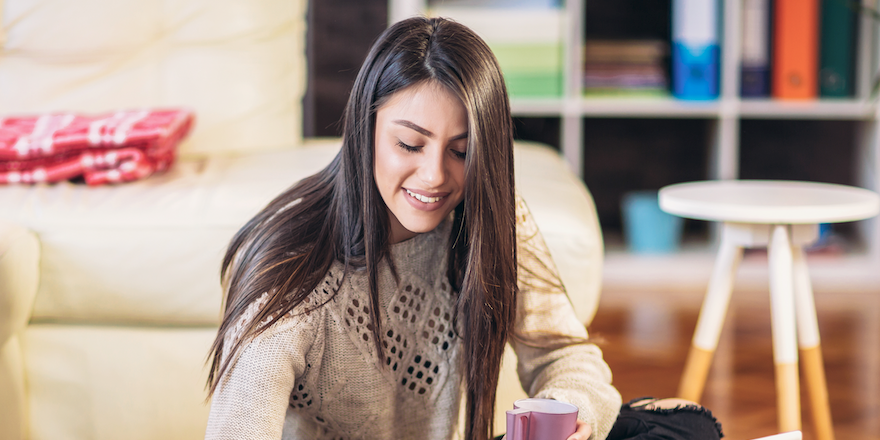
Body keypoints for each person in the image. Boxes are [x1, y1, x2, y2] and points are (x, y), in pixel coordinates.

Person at [204, 16, 723, 440]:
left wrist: (566, 415)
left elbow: (563, 354)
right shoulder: (289, 275)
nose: (435, 176)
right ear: (366, 129)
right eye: (410, 144)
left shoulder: (488, 218)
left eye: (462, 151)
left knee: (685, 429)